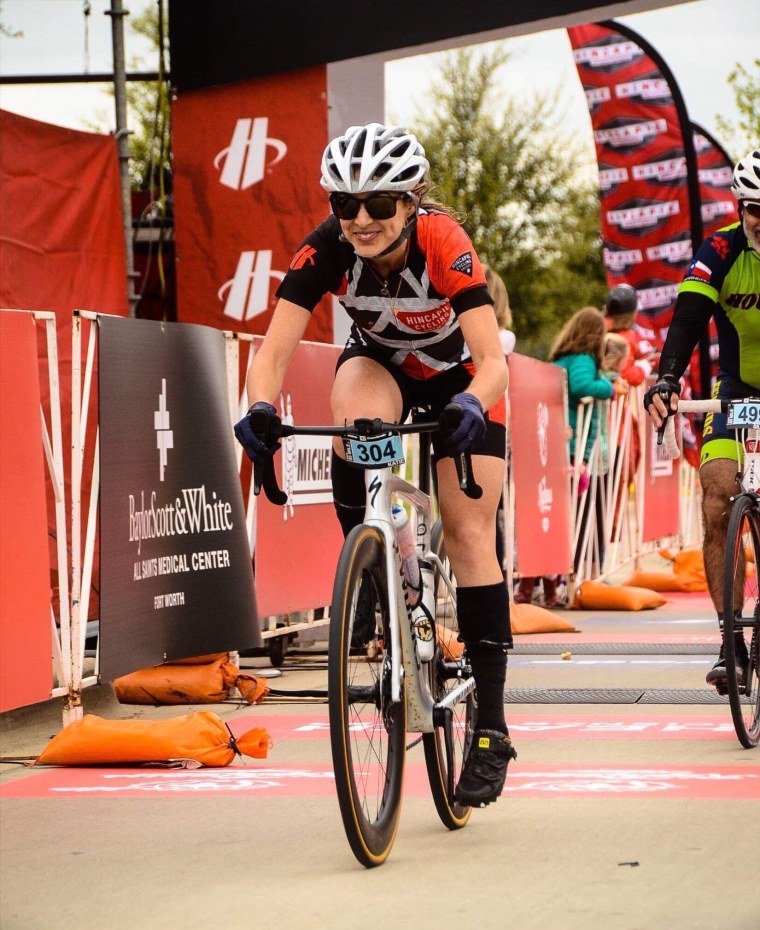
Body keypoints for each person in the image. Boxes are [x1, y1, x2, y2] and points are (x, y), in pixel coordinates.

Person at [234, 123, 516, 806]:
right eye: (344, 203)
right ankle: (368, 574)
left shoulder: (443, 242)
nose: (360, 219)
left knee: (470, 530)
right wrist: (260, 408)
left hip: (463, 380)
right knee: (355, 421)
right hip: (383, 365)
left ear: (411, 202)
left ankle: (493, 728)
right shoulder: (327, 247)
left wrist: (474, 406)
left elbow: (497, 362)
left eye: (380, 204)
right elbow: (270, 351)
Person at [644, 147, 760, 691]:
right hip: (734, 390)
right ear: (740, 206)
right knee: (717, 500)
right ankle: (729, 641)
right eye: (756, 208)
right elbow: (687, 319)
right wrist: (668, 378)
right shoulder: (719, 249)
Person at [603, 284, 656, 387]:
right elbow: (624, 375)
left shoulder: (596, 329)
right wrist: (644, 366)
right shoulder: (626, 338)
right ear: (634, 312)